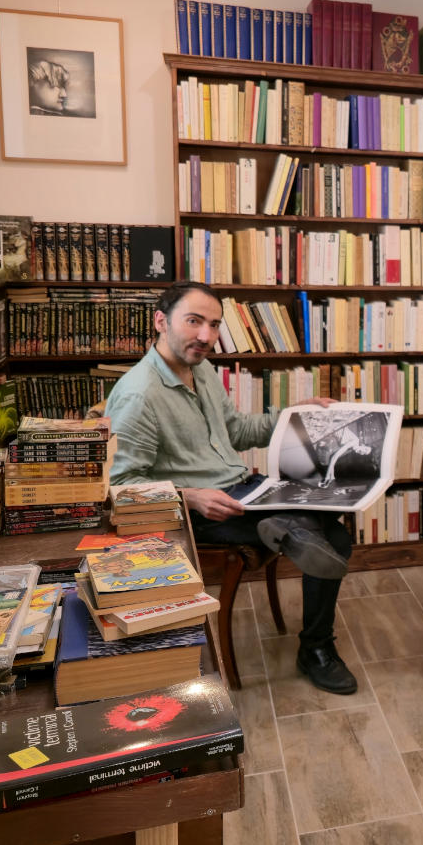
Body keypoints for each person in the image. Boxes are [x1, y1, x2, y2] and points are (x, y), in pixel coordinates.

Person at [103, 281, 358, 694]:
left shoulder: (200, 369)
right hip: (200, 512)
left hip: (240, 486)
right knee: (335, 538)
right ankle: (316, 648)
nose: (206, 336)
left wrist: (293, 415)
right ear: (161, 322)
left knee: (333, 521)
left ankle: (287, 523)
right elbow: (121, 486)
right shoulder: (138, 395)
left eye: (214, 325)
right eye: (194, 322)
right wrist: (193, 497)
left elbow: (236, 432)